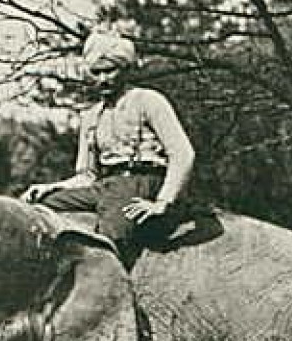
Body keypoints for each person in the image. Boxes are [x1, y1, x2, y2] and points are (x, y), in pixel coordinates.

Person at [21, 31, 195, 251]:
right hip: (104, 185)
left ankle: (112, 283)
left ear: (125, 70)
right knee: (35, 210)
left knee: (108, 241)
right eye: (96, 72)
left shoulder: (147, 100)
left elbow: (182, 154)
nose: (103, 79)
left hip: (141, 182)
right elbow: (87, 175)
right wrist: (52, 187)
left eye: (110, 71)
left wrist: (163, 202)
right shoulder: (91, 116)